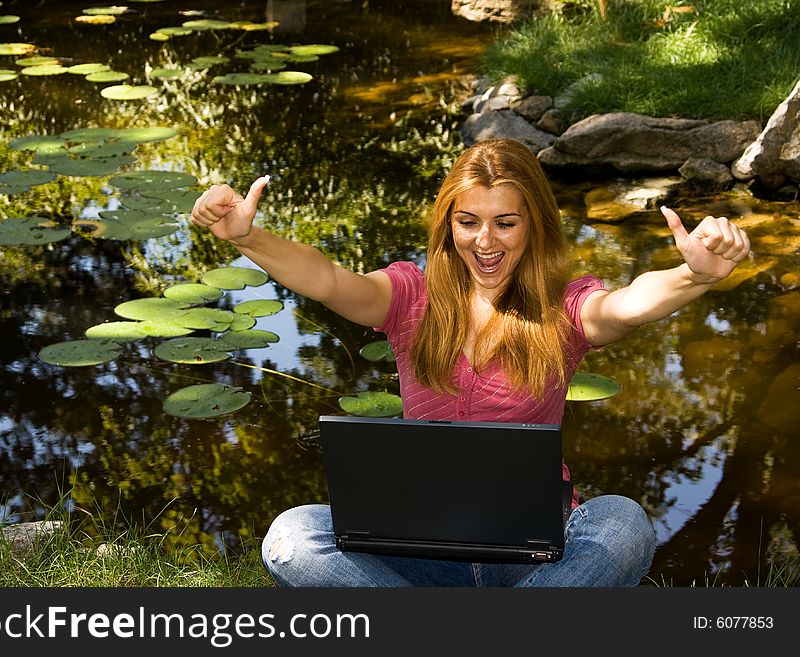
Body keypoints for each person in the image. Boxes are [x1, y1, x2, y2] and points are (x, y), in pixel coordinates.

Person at [190, 138, 752, 587]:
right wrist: (249, 239)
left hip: (537, 550)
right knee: (291, 536)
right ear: (448, 224)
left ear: (533, 226)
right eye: (469, 222)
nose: (486, 241)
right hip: (417, 548)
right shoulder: (409, 296)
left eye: (505, 223)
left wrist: (692, 275)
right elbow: (328, 279)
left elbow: (628, 306)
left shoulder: (565, 307)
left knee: (624, 524)